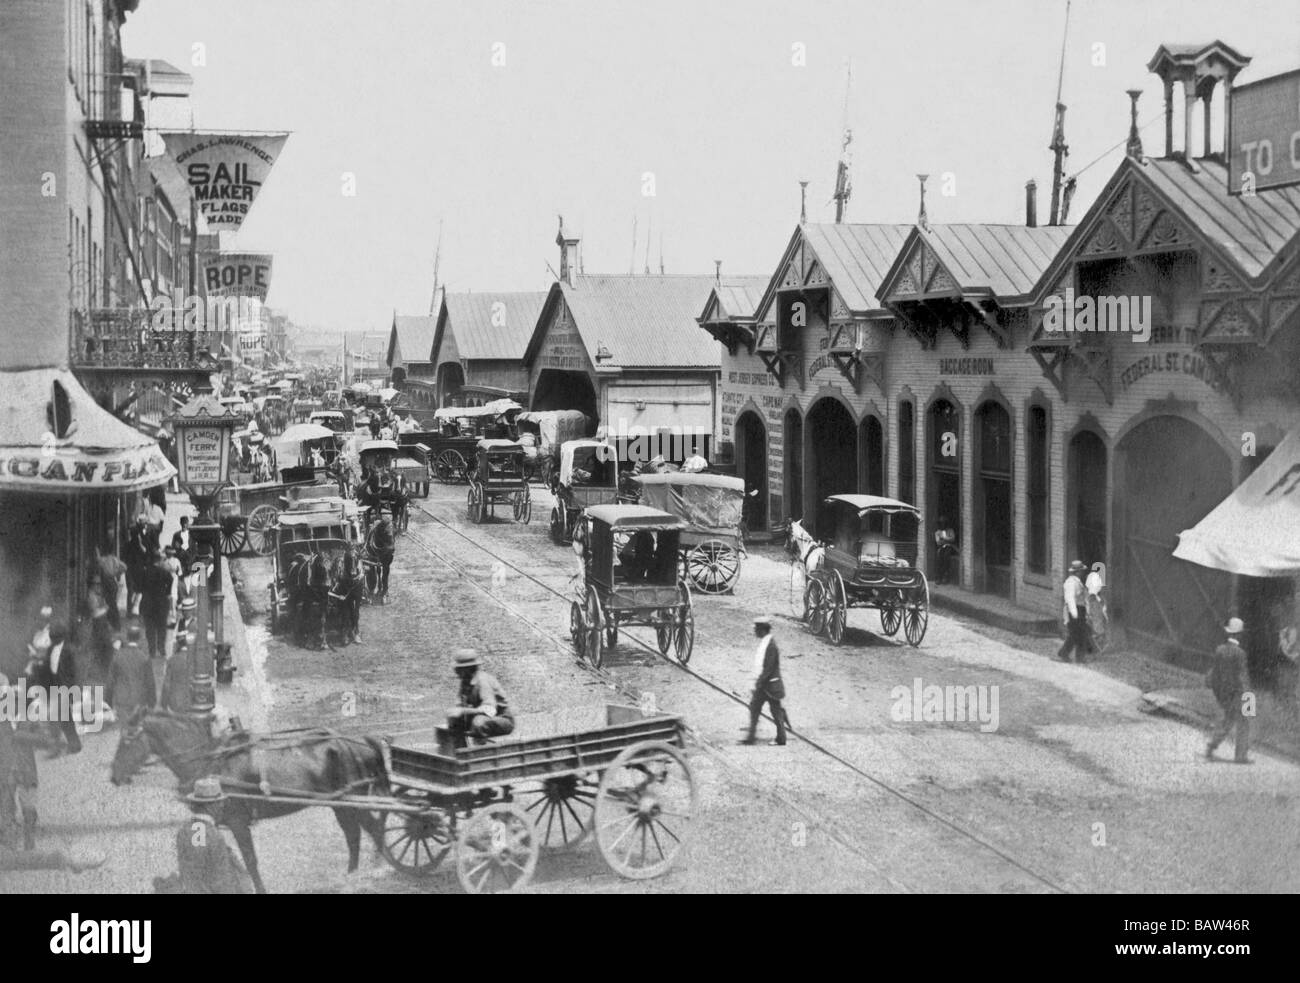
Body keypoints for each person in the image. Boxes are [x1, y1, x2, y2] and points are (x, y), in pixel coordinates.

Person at [153, 776, 254, 894]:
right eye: (220, 802)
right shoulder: (205, 831)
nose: (223, 807)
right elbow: (208, 875)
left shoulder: (187, 829)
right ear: (211, 806)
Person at [0, 674, 41, 851]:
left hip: (26, 768)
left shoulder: (30, 719)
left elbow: (41, 738)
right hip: (6, 769)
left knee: (28, 808)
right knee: (6, 809)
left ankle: (29, 845)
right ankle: (10, 848)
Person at [1206, 617, 1252, 764]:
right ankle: (1240, 756)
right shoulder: (1241, 653)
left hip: (1224, 693)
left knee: (1228, 720)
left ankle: (1212, 745)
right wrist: (1248, 696)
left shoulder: (1219, 650)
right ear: (1239, 635)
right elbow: (1242, 676)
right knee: (1244, 722)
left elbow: (1215, 672)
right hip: (1239, 693)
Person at [446, 649, 514, 747]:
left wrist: (463, 711)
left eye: (458, 669)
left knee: (478, 722)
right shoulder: (466, 682)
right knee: (454, 719)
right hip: (483, 718)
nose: (456, 672)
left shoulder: (483, 681)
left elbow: (489, 710)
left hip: (501, 720)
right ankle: (461, 752)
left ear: (468, 669)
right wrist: (457, 711)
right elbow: (461, 704)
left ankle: (480, 753)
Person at [740, 616, 787, 746]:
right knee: (754, 709)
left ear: (762, 630)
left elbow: (768, 668)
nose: (755, 631)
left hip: (770, 685)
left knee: (776, 713)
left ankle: (781, 739)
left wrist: (758, 682)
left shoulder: (771, 646)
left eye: (756, 629)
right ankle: (750, 738)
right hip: (764, 685)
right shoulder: (764, 643)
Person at [106, 626, 157, 720]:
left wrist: (108, 702)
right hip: (139, 700)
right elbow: (150, 682)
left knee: (124, 728)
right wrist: (152, 703)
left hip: (122, 700)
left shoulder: (117, 657)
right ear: (139, 638)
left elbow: (110, 681)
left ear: (127, 637)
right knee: (137, 728)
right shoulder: (144, 658)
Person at [141, 548, 175, 661]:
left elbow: (139, 586)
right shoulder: (163, 572)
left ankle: (152, 650)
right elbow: (170, 580)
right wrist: (167, 592)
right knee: (161, 627)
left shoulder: (145, 572)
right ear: (159, 560)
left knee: (150, 628)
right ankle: (161, 648)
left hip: (148, 604)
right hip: (161, 604)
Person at [1055, 560, 1089, 663]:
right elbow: (1070, 599)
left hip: (1080, 610)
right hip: (1074, 610)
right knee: (1075, 634)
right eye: (1081, 571)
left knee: (1081, 634)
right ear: (1077, 572)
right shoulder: (1071, 582)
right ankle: (1065, 653)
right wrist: (1074, 614)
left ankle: (1079, 657)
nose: (1083, 573)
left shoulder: (1078, 581)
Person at [93, 546, 127, 631]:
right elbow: (124, 567)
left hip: (106, 583)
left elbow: (97, 560)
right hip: (113, 582)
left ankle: (114, 624)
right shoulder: (114, 559)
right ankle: (115, 624)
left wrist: (97, 551)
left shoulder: (103, 560)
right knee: (113, 603)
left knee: (109, 604)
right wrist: (117, 573)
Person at [370, 515, 396, 602]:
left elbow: (391, 538)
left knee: (385, 573)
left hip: (386, 551)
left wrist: (390, 546)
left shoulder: (389, 528)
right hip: (379, 548)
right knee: (376, 571)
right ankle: (376, 587)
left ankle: (385, 589)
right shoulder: (378, 529)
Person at [933, 517, 958, 585]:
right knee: (939, 558)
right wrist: (947, 539)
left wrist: (943, 538)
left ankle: (945, 576)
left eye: (944, 523)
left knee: (946, 557)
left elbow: (953, 539)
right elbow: (938, 542)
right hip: (941, 548)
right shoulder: (937, 532)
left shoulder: (950, 530)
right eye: (941, 523)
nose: (943, 525)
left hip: (950, 547)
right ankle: (939, 577)